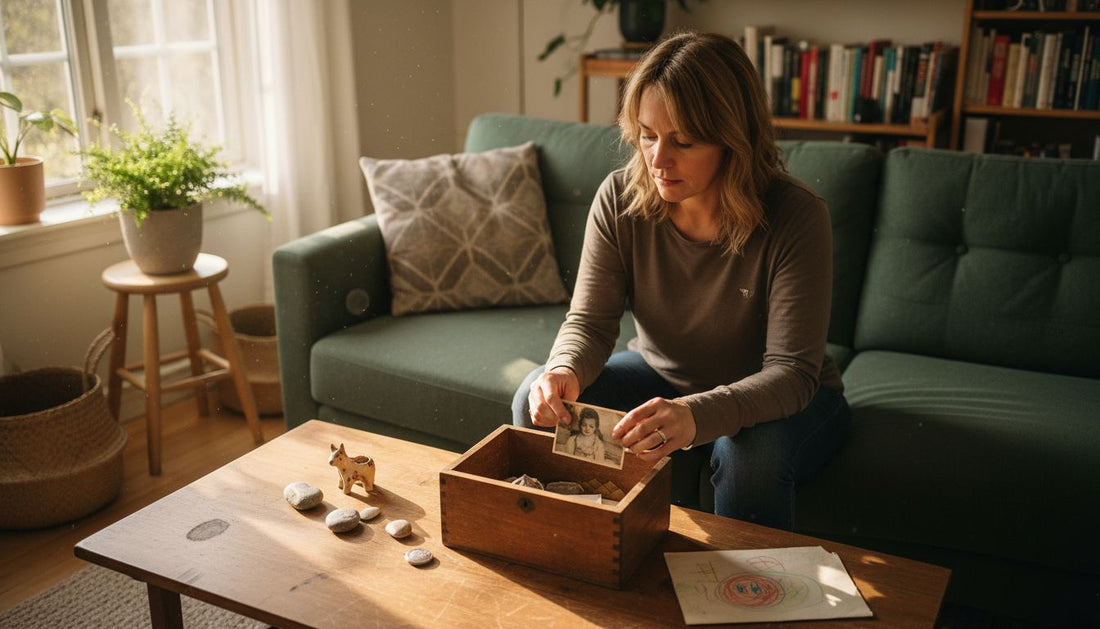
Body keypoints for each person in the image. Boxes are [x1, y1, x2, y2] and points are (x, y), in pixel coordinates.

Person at [512, 31, 850, 531]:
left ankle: (747, 596)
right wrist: (564, 368)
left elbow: (792, 373)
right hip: (661, 374)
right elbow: (590, 322)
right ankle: (584, 552)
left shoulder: (796, 216)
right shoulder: (620, 198)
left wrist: (696, 414)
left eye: (683, 141)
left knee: (747, 459)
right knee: (532, 398)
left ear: (733, 141)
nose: (657, 159)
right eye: (648, 134)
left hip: (787, 397)